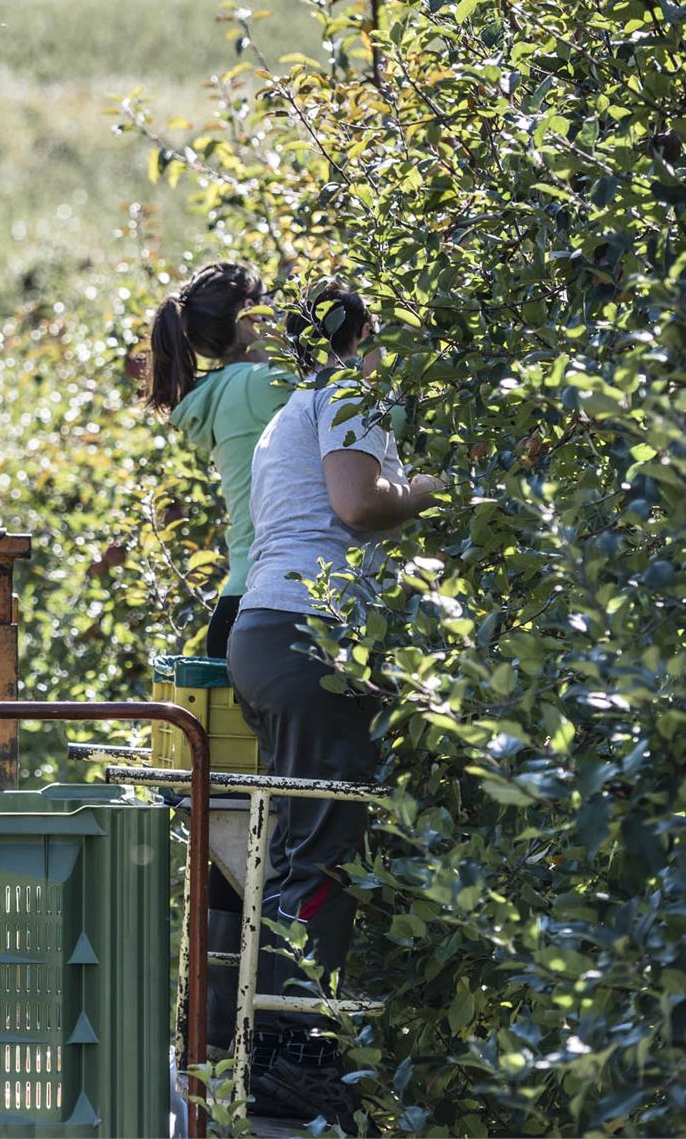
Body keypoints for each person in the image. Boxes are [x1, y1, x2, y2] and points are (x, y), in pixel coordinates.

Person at [226, 286, 443, 1122]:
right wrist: (437, 485)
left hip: (269, 634)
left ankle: (273, 1051)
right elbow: (359, 507)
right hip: (309, 641)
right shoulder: (349, 393)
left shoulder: (292, 409)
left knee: (296, 852)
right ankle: (297, 1061)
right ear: (359, 337)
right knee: (322, 856)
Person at [143, 261, 294, 658]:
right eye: (270, 302)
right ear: (250, 309)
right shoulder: (259, 385)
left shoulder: (224, 390)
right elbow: (369, 411)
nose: (276, 312)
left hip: (239, 601)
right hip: (274, 602)